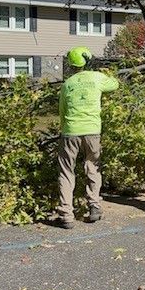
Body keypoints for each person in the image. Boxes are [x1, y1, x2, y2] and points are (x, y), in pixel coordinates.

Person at [57, 46, 119, 229]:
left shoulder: (67, 84)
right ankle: (94, 206)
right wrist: (104, 72)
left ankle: (66, 214)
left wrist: (64, 130)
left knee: (66, 171)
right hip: (92, 130)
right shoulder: (97, 78)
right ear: (89, 61)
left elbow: (62, 111)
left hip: (70, 131)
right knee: (93, 167)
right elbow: (114, 84)